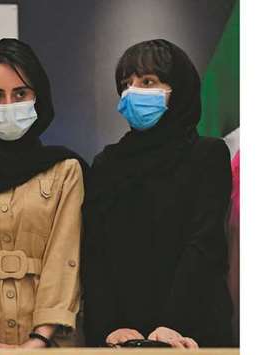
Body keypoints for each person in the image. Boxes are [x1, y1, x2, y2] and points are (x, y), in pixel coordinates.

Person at [82, 39, 233, 348]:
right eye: (127, 83)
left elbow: (204, 244)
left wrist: (173, 323)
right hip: (123, 338)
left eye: (148, 81)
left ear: (179, 89)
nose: (134, 91)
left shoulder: (207, 155)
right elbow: (95, 253)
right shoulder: (108, 163)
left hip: (192, 331)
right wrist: (111, 325)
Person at [0, 38, 86, 349]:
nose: (8, 105)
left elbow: (65, 256)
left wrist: (40, 338)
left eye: (21, 93)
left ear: (37, 98)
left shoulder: (66, 169)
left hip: (52, 342)